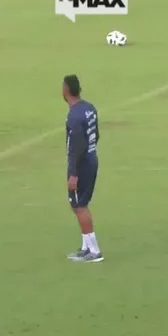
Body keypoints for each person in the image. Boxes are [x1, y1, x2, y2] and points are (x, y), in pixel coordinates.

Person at [62, 75, 103, 262]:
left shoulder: (74, 116)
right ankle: (86, 247)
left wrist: (73, 174)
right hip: (92, 158)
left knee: (79, 206)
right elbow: (96, 134)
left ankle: (94, 251)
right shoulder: (89, 108)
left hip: (82, 164)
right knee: (80, 204)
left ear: (66, 90)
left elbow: (75, 148)